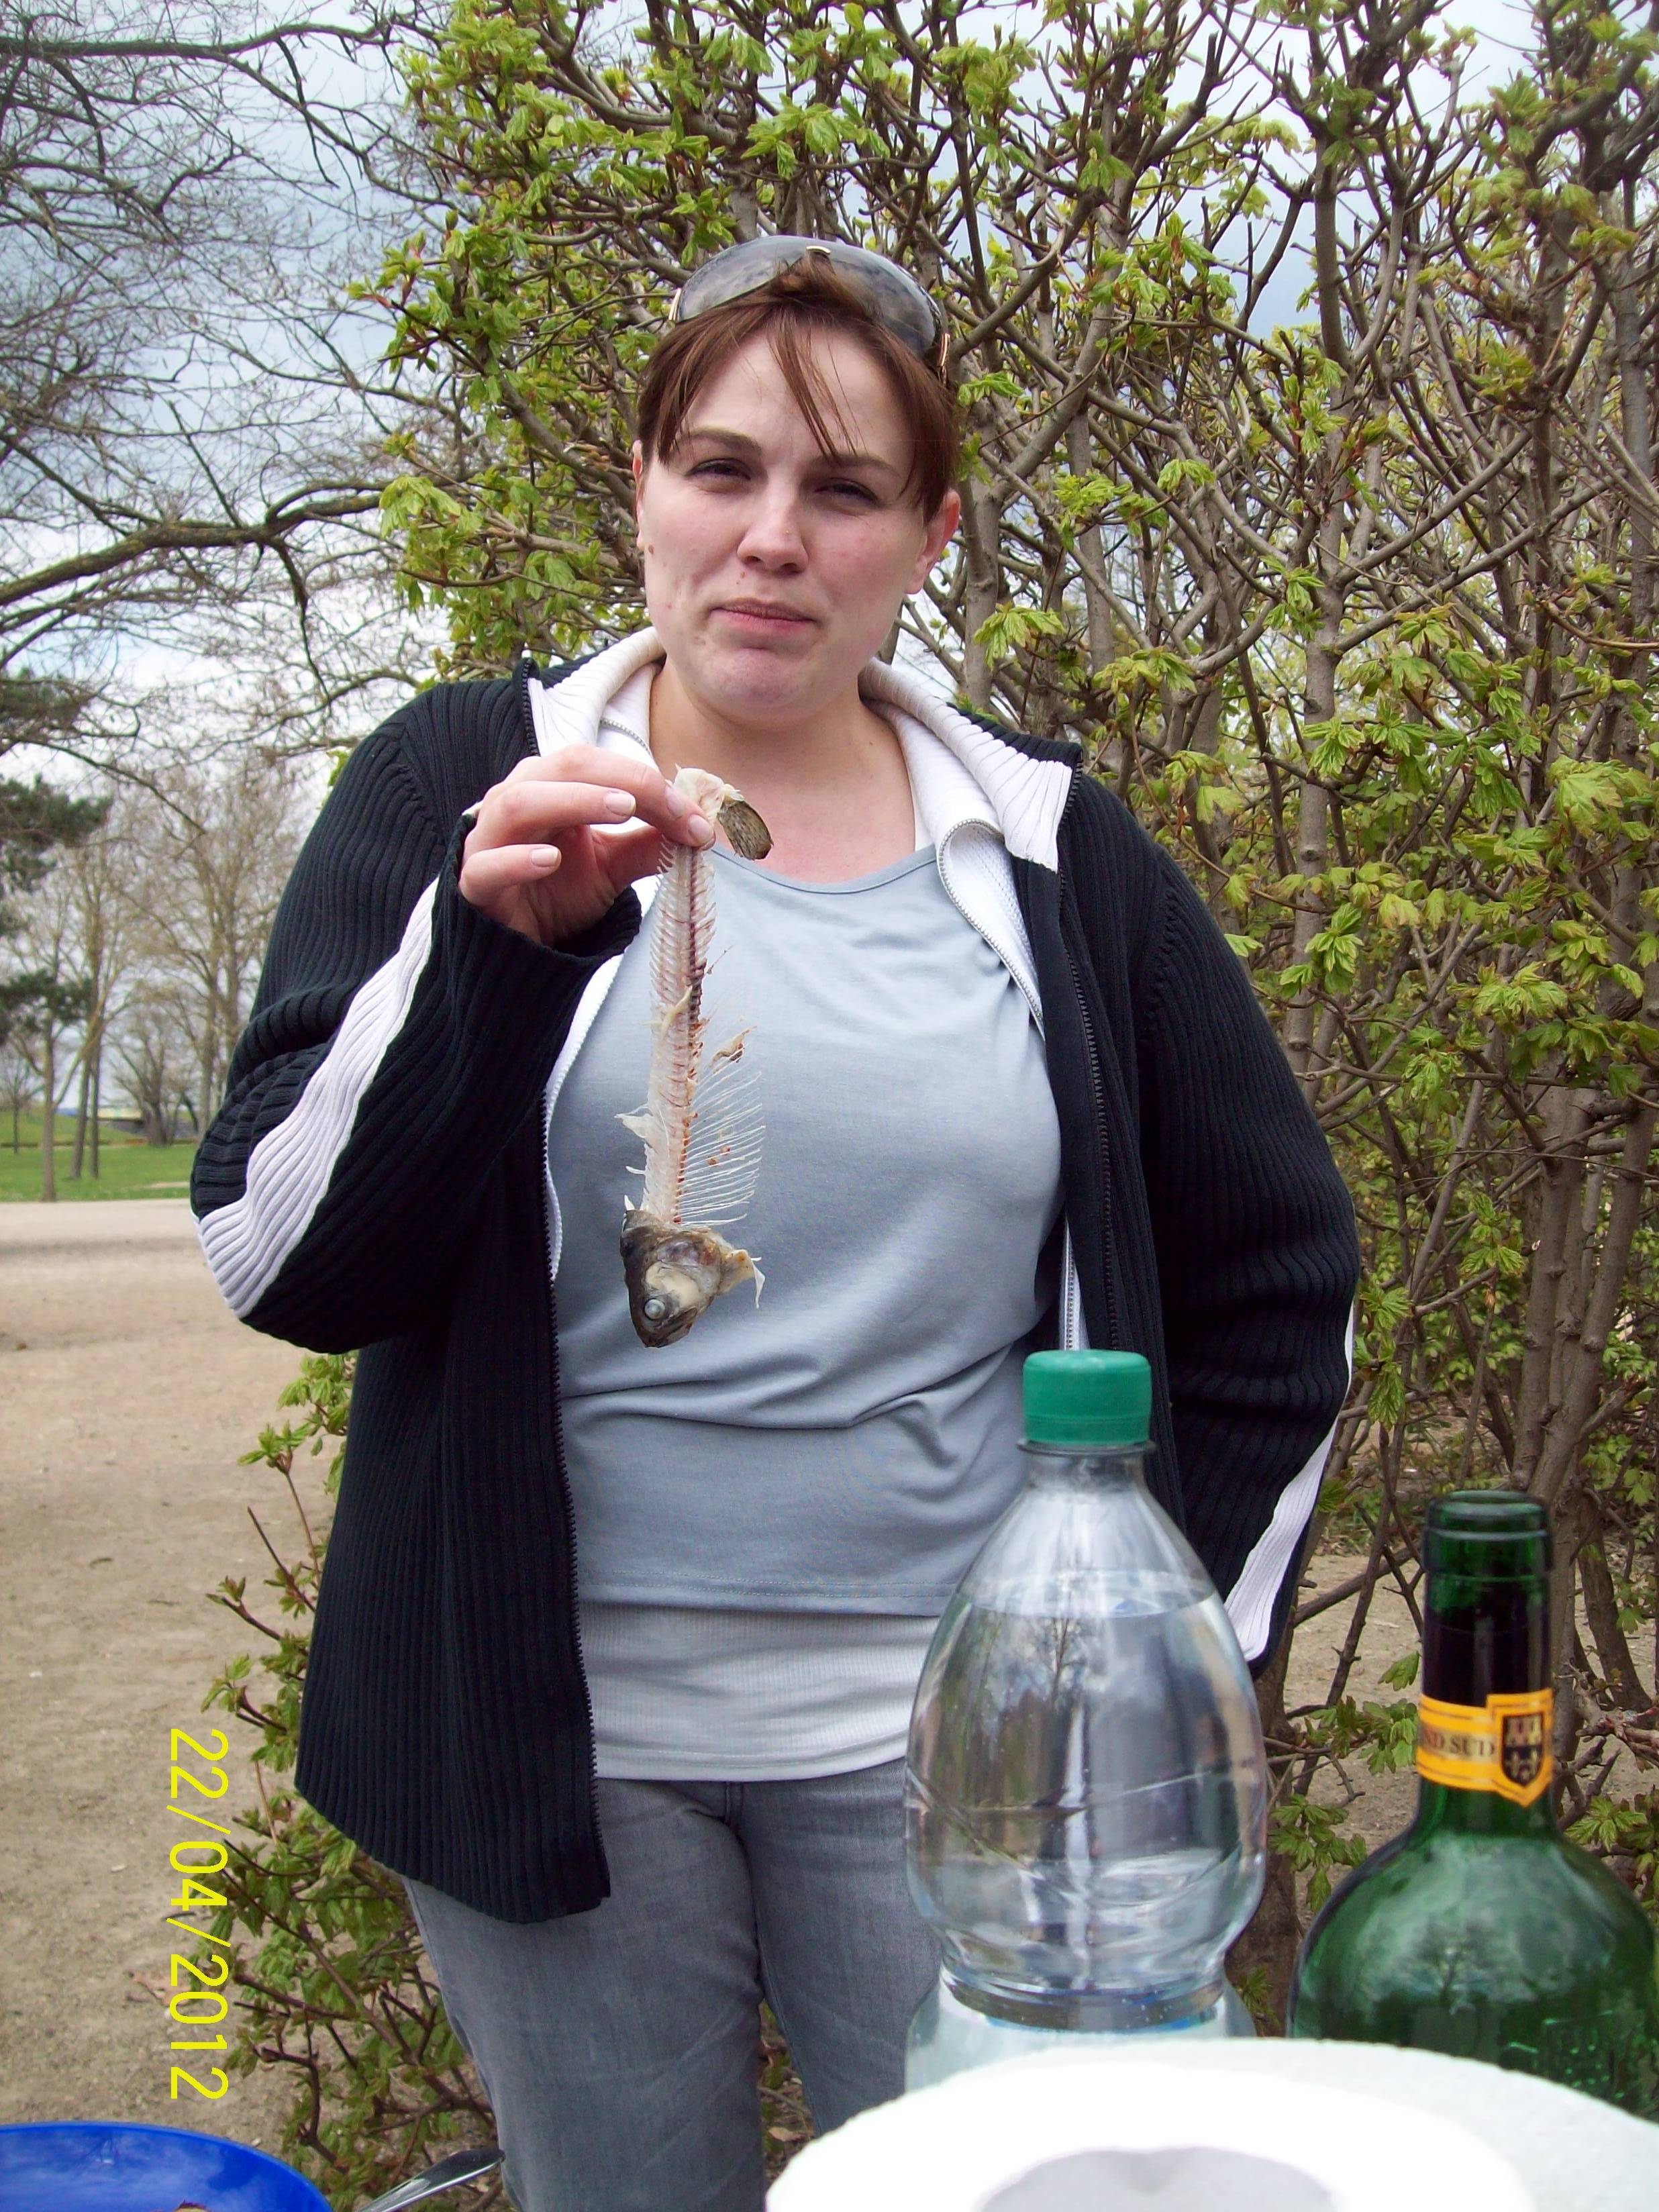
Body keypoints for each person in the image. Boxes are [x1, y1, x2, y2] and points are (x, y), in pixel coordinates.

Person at [193, 236, 1360, 2212]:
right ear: (644, 486)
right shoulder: (470, 781)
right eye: (721, 469)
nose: (774, 539)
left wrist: (1163, 1647)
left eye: (847, 490)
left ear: (932, 534)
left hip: (960, 1760)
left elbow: (1283, 1284)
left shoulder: (1056, 854)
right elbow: (284, 1259)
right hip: (549, 1747)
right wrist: (489, 965)